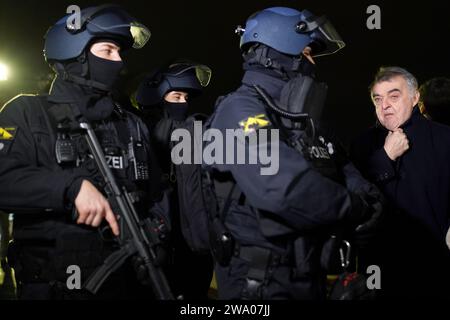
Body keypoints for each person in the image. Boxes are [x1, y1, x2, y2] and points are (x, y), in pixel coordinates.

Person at [203, 6, 383, 300]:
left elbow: (338, 162)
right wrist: (355, 208)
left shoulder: (301, 118)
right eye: (309, 52)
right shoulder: (240, 110)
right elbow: (283, 188)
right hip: (260, 282)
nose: (312, 62)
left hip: (307, 274)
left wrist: (368, 196)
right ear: (280, 50)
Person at [0, 5, 166, 299]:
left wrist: (159, 227)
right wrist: (69, 187)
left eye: (120, 53)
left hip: (131, 279)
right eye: (108, 51)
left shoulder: (131, 123)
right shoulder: (27, 113)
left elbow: (156, 192)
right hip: (56, 285)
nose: (119, 62)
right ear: (75, 55)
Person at [351, 66, 450, 298]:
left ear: (416, 98)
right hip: (376, 273)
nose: (384, 105)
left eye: (394, 96)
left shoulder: (445, 139)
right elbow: (352, 201)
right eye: (378, 98)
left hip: (432, 268)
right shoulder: (362, 144)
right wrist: (384, 158)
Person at [135, 61, 214, 299]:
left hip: (194, 242)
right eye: (176, 96)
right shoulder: (139, 131)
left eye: (186, 98)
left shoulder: (196, 132)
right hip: (157, 239)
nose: (183, 103)